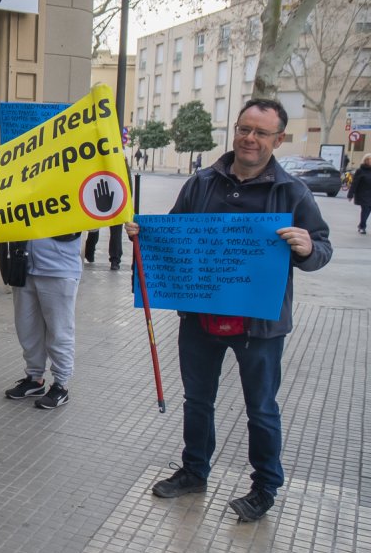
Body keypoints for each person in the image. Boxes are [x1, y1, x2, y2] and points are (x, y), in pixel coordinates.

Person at [125, 98, 331, 523]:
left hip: (260, 325)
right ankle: (194, 471)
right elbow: (175, 234)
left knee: (261, 408)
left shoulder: (292, 192)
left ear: (277, 139)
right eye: (244, 129)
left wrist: (309, 249)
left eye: (260, 132)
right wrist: (144, 234)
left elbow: (322, 246)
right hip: (200, 318)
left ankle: (264, 487)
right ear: (234, 130)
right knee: (198, 400)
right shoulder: (201, 183)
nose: (249, 138)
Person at [2, 233, 81, 409]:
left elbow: (94, 219)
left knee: (59, 331)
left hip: (59, 269)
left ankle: (61, 384)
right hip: (23, 266)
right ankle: (34, 379)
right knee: (27, 329)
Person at [348, 153, 371, 234]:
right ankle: (362, 227)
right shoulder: (360, 170)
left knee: (368, 210)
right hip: (363, 194)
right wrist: (350, 194)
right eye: (369, 159)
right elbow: (355, 183)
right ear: (366, 160)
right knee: (366, 209)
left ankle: (361, 225)